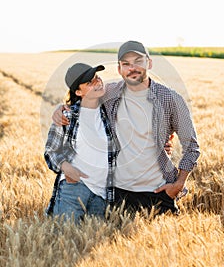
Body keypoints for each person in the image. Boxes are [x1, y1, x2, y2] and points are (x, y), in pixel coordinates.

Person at [52, 41, 200, 215]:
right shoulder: (109, 93)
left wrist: (178, 184)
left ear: (149, 63)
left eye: (138, 61)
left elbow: (191, 147)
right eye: (126, 64)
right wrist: (61, 108)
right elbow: (84, 97)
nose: (133, 68)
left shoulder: (171, 99)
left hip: (159, 191)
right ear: (119, 69)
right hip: (117, 195)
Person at [44, 63, 120, 223]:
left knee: (92, 242)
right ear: (78, 92)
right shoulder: (67, 115)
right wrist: (66, 168)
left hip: (102, 194)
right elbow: (51, 151)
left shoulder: (110, 111)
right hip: (74, 188)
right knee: (64, 239)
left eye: (97, 78)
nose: (97, 82)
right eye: (90, 82)